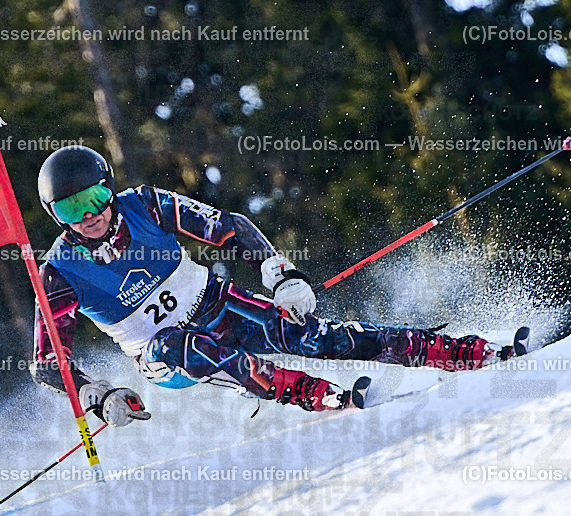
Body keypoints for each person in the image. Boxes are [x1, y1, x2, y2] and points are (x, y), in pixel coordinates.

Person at [29, 145, 522, 426]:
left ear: (109, 189)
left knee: (313, 335)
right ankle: (318, 395)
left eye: (94, 198)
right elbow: (47, 362)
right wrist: (98, 394)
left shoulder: (145, 205)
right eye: (72, 209)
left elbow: (230, 227)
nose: (90, 215)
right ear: (56, 216)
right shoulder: (60, 270)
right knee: (186, 345)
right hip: (163, 357)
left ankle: (465, 352)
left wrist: (280, 274)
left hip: (217, 305)